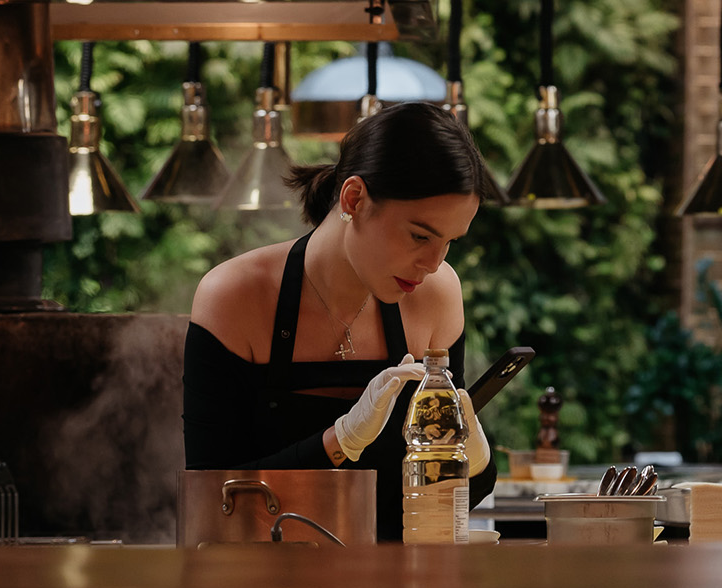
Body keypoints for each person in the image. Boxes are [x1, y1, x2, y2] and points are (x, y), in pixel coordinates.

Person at [184, 101, 502, 541]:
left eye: (449, 241)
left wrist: (475, 459)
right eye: (420, 235)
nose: (433, 263)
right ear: (354, 199)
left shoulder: (436, 295)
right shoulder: (235, 296)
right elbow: (210, 506)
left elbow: (446, 498)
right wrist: (341, 440)